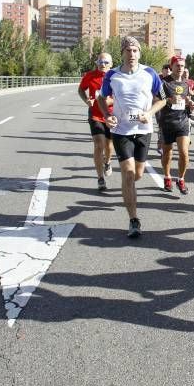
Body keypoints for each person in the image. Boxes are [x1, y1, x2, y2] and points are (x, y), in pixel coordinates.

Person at [98, 37, 167, 238]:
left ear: (140, 53)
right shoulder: (112, 75)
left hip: (144, 130)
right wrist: (106, 115)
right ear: (122, 53)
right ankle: (134, 219)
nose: (132, 54)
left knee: (137, 175)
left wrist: (149, 113)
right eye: (128, 50)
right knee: (128, 175)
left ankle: (130, 191)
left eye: (135, 50)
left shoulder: (150, 73)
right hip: (121, 131)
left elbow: (162, 100)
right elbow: (103, 98)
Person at [77, 53, 115, 191]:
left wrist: (110, 101)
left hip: (112, 115)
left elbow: (121, 95)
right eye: (100, 61)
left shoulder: (115, 76)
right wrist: (86, 100)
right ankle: (100, 179)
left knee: (109, 146)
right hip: (95, 115)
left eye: (106, 62)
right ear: (96, 63)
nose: (102, 64)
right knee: (99, 145)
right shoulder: (90, 75)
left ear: (111, 64)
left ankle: (108, 161)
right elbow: (81, 89)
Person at [159, 55, 194, 195]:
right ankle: (167, 177)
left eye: (182, 66)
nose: (180, 68)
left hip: (183, 121)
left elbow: (186, 101)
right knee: (167, 153)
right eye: (177, 65)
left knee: (184, 153)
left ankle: (181, 179)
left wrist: (191, 104)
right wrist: (169, 100)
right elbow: (156, 99)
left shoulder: (186, 84)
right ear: (171, 66)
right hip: (167, 122)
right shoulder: (163, 83)